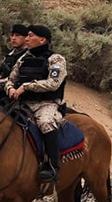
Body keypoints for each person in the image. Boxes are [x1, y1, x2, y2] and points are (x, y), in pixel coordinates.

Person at [5, 24, 68, 187]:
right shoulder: (22, 59)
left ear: (42, 39)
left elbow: (53, 83)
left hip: (46, 104)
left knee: (46, 123)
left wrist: (26, 87)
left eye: (30, 35)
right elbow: (10, 79)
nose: (26, 39)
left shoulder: (56, 60)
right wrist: (10, 88)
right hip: (23, 103)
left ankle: (53, 166)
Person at [0, 23, 28, 100]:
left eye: (17, 35)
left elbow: (14, 78)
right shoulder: (10, 55)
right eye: (12, 35)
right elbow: (1, 74)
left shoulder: (27, 56)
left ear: (26, 38)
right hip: (1, 93)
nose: (13, 38)